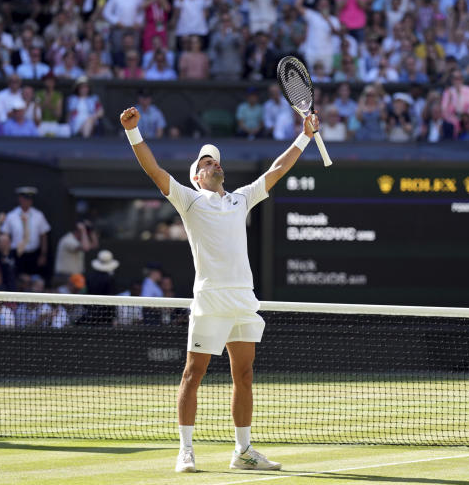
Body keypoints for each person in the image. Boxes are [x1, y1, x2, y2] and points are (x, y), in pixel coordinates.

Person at [120, 102, 321, 473]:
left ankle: (243, 451)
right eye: (206, 163)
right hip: (210, 301)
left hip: (243, 301)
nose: (213, 164)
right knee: (192, 374)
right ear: (196, 176)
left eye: (215, 161)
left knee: (244, 375)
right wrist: (133, 131)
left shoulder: (241, 198)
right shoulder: (189, 199)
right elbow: (153, 169)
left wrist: (305, 137)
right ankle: (185, 450)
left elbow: (278, 169)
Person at [0, 186, 50, 279]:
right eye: (26, 198)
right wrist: (6, 254)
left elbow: (43, 235)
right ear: (20, 199)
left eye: (30, 199)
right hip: (17, 254)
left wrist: (43, 254)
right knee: (19, 280)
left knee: (34, 280)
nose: (28, 201)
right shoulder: (11, 216)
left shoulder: (39, 215)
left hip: (34, 254)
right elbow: (5, 234)